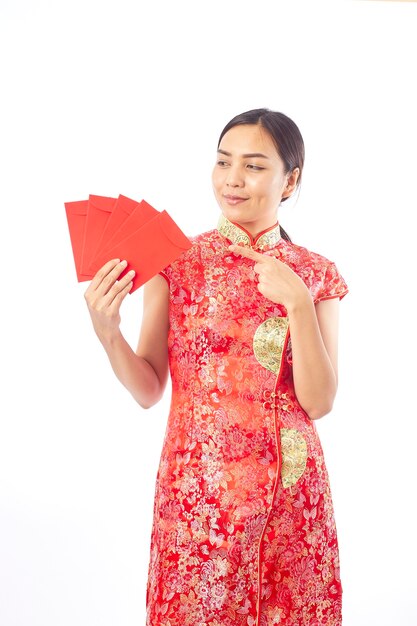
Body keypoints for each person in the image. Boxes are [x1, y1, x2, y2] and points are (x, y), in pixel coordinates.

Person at [84, 108, 348, 626]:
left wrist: (297, 305)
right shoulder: (176, 262)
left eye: (253, 166)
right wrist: (107, 333)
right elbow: (148, 388)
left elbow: (318, 401)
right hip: (199, 492)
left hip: (290, 495)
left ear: (290, 181)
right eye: (224, 162)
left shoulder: (316, 275)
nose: (232, 179)